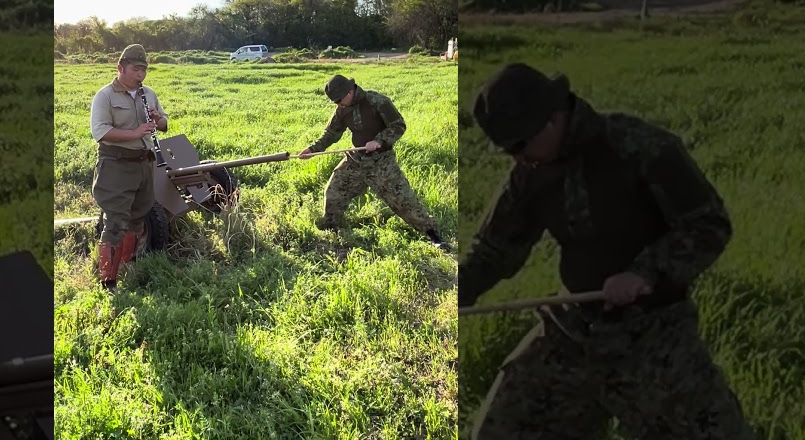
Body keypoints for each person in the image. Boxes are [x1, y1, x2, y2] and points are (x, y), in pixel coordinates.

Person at [461, 62, 754, 439]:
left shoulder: (640, 146)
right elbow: (495, 248)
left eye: (519, 145)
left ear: (552, 119)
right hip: (573, 327)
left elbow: (709, 225)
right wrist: (458, 291)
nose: (517, 158)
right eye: (508, 150)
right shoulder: (530, 172)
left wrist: (644, 272)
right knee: (502, 430)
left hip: (654, 333)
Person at [298, 74, 449, 250]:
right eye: (334, 102)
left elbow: (399, 125)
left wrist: (379, 140)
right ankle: (332, 229)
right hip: (356, 159)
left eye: (339, 100)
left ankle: (434, 236)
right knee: (334, 190)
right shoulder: (342, 109)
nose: (337, 104)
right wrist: (312, 149)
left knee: (404, 201)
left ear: (349, 92)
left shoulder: (377, 101)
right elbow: (331, 134)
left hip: (381, 162)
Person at [89, 43, 168, 290]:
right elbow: (100, 132)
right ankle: (108, 282)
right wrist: (134, 132)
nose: (140, 75)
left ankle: (128, 263)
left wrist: (158, 119)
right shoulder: (105, 96)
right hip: (116, 164)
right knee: (115, 221)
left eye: (144, 70)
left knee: (137, 218)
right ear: (120, 68)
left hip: (144, 163)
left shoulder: (149, 93)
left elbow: (165, 124)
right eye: (136, 69)